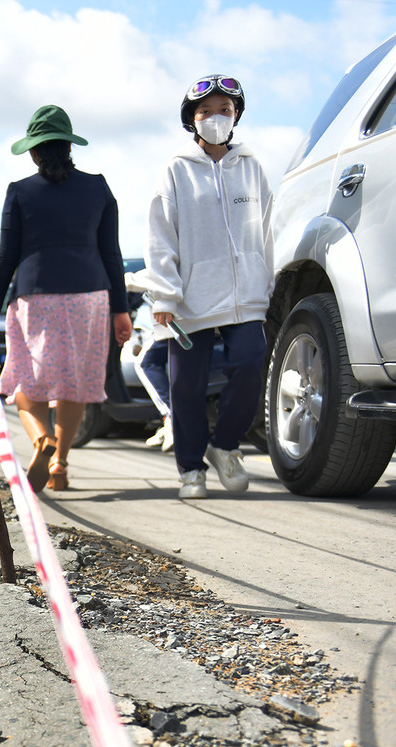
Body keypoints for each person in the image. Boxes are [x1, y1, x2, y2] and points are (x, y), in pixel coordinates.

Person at [0, 104, 132, 493]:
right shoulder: (98, 187)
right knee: (74, 384)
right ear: (68, 146)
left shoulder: (20, 191)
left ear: (34, 150)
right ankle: (60, 465)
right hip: (89, 299)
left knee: (25, 382)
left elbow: (6, 257)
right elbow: (111, 254)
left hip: (36, 299)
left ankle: (40, 439)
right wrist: (121, 310)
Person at [136, 75, 274, 499]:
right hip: (188, 299)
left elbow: (268, 228)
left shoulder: (251, 166)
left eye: (225, 110)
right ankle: (191, 470)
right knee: (186, 388)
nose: (216, 117)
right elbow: (161, 234)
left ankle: (225, 446)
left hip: (246, 294)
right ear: (191, 119)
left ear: (236, 116)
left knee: (251, 366)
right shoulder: (176, 169)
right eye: (206, 111)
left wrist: (267, 281)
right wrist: (165, 294)